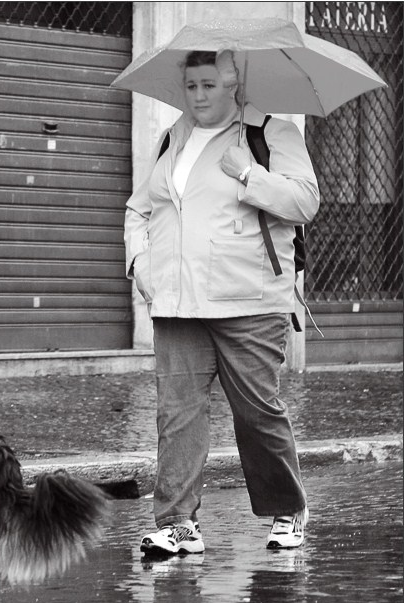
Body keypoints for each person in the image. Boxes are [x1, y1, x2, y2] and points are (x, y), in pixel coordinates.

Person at [124, 50, 320, 555]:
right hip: (176, 301)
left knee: (256, 412)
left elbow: (305, 202)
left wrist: (250, 174)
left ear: (233, 83)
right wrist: (139, 265)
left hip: (249, 301)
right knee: (177, 415)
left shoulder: (271, 135)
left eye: (209, 84)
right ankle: (178, 524)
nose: (198, 95)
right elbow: (139, 209)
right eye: (191, 86)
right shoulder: (172, 138)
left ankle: (288, 508)